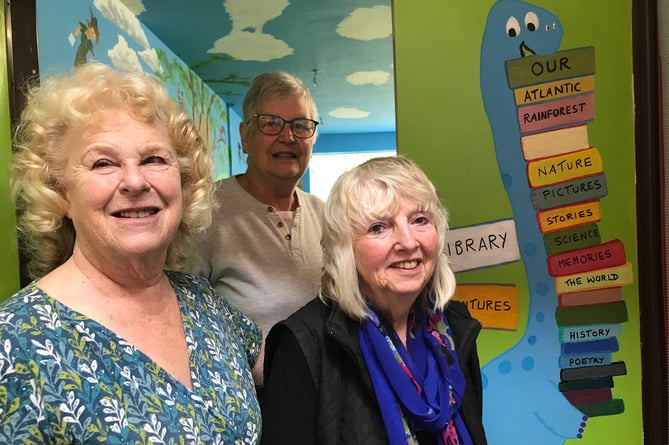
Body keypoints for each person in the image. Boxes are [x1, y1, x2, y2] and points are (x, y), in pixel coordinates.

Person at [2, 62, 261, 443]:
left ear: (184, 181)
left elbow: (296, 370)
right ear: (61, 194)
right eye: (103, 162)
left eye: (154, 159)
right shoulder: (14, 344)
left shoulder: (206, 304)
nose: (136, 181)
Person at [261, 156, 488, 445]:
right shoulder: (303, 343)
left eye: (420, 220)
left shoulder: (456, 328)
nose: (408, 242)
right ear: (345, 247)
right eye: (379, 227)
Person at [190, 70, 324, 385]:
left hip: (326, 399)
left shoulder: (330, 215)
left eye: (301, 126)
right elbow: (185, 320)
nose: (288, 137)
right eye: (270, 123)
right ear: (245, 136)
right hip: (247, 403)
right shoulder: (204, 212)